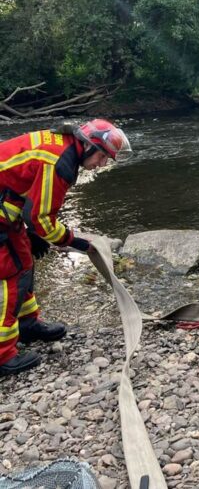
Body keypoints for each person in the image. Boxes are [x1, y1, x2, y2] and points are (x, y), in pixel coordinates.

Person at [0, 119, 132, 376]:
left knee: (25, 262)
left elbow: (27, 189)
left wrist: (32, 230)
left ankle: (27, 325)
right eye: (103, 157)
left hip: (7, 207)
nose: (101, 165)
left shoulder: (62, 146)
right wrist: (74, 241)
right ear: (89, 146)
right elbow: (42, 219)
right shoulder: (60, 164)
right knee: (11, 274)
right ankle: (3, 356)